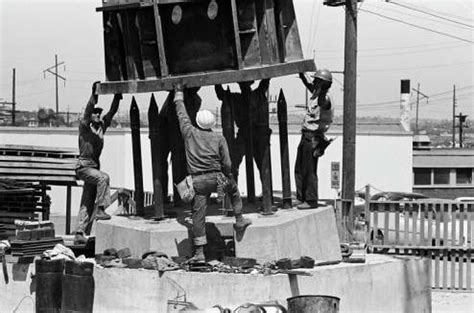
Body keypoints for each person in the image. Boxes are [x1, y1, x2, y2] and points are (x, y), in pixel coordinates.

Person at [173, 84, 252, 262]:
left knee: (198, 214)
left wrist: (178, 92)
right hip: (217, 178)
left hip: (198, 182)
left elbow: (181, 113)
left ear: (197, 122)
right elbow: (227, 163)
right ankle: (239, 220)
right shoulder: (219, 138)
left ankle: (200, 252)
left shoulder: (189, 133)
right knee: (234, 191)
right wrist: (228, 176)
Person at [74, 81, 122, 244]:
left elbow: (112, 112)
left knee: (87, 201)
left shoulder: (101, 127)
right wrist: (94, 94)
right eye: (95, 112)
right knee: (104, 178)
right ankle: (101, 209)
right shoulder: (84, 127)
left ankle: (80, 232)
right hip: (84, 167)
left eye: (99, 112)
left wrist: (117, 96)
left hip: (94, 167)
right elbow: (88, 109)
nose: (97, 114)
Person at [214, 79, 271, 184]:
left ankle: (266, 192)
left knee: (263, 165)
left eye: (245, 84)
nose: (243, 87)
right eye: (242, 84)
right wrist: (217, 81)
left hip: (257, 135)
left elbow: (265, 82)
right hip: (244, 134)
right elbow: (221, 94)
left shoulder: (257, 94)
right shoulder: (236, 98)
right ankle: (233, 192)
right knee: (233, 163)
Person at [295, 69, 334, 209]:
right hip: (305, 136)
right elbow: (310, 85)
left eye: (318, 80)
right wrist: (302, 75)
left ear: (324, 84)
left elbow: (323, 101)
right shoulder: (317, 93)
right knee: (299, 168)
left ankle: (311, 200)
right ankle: (301, 197)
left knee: (309, 170)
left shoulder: (325, 98)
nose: (314, 82)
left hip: (313, 139)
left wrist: (322, 89)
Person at [157, 88, 202, 205]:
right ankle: (169, 197)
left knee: (179, 164)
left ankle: (178, 198)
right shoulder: (186, 100)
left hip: (177, 136)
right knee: (172, 164)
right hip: (170, 134)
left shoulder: (193, 99)